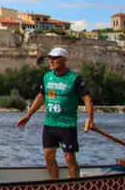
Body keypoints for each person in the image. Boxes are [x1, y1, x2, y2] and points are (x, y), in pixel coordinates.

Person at [17, 46, 96, 179]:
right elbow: (41, 96)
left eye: (54, 58)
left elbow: (87, 98)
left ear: (64, 60)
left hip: (67, 125)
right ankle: (55, 183)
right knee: (48, 156)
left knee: (69, 157)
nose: (51, 61)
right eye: (50, 59)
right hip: (50, 124)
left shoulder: (75, 79)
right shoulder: (47, 77)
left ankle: (74, 184)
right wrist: (28, 115)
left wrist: (90, 118)